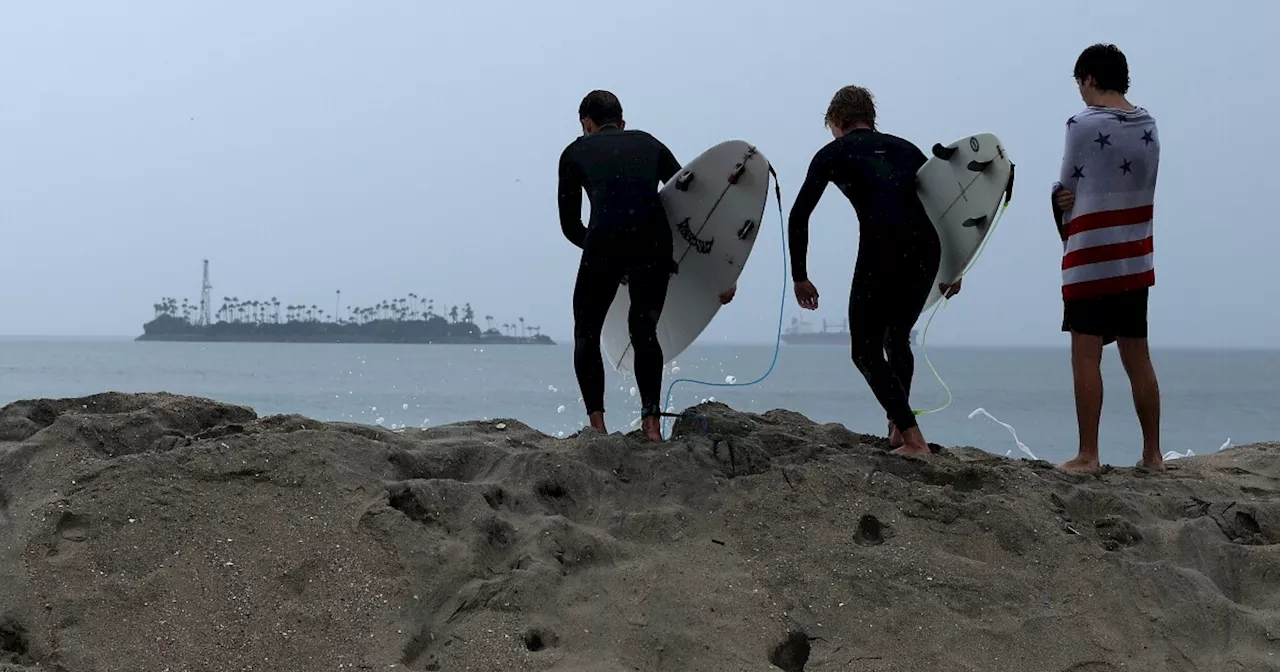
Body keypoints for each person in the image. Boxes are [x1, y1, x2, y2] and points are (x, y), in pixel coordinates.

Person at [788, 85, 958, 457]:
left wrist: (799, 275)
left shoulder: (833, 152)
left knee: (865, 351)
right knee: (896, 339)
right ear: (870, 117)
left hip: (884, 245)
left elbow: (800, 214)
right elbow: (943, 207)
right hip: (927, 248)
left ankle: (913, 440)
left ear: (835, 120)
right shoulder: (906, 149)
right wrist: (955, 267)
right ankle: (897, 428)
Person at [1052, 44, 1162, 473]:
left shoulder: (1082, 125)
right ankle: (1153, 455)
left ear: (1090, 79)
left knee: (1086, 353)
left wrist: (1057, 202)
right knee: (1138, 355)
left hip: (1093, 256)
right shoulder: (1149, 125)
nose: (1080, 92)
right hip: (1135, 254)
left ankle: (1088, 454)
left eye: (1080, 83)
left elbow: (1067, 190)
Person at [557, 89, 682, 441]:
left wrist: (606, 251)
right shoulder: (650, 143)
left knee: (587, 331)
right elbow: (686, 198)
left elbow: (570, 226)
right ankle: (652, 423)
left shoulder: (575, 152)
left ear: (587, 124)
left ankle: (597, 427)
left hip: (605, 242)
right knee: (644, 331)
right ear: (622, 122)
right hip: (654, 243)